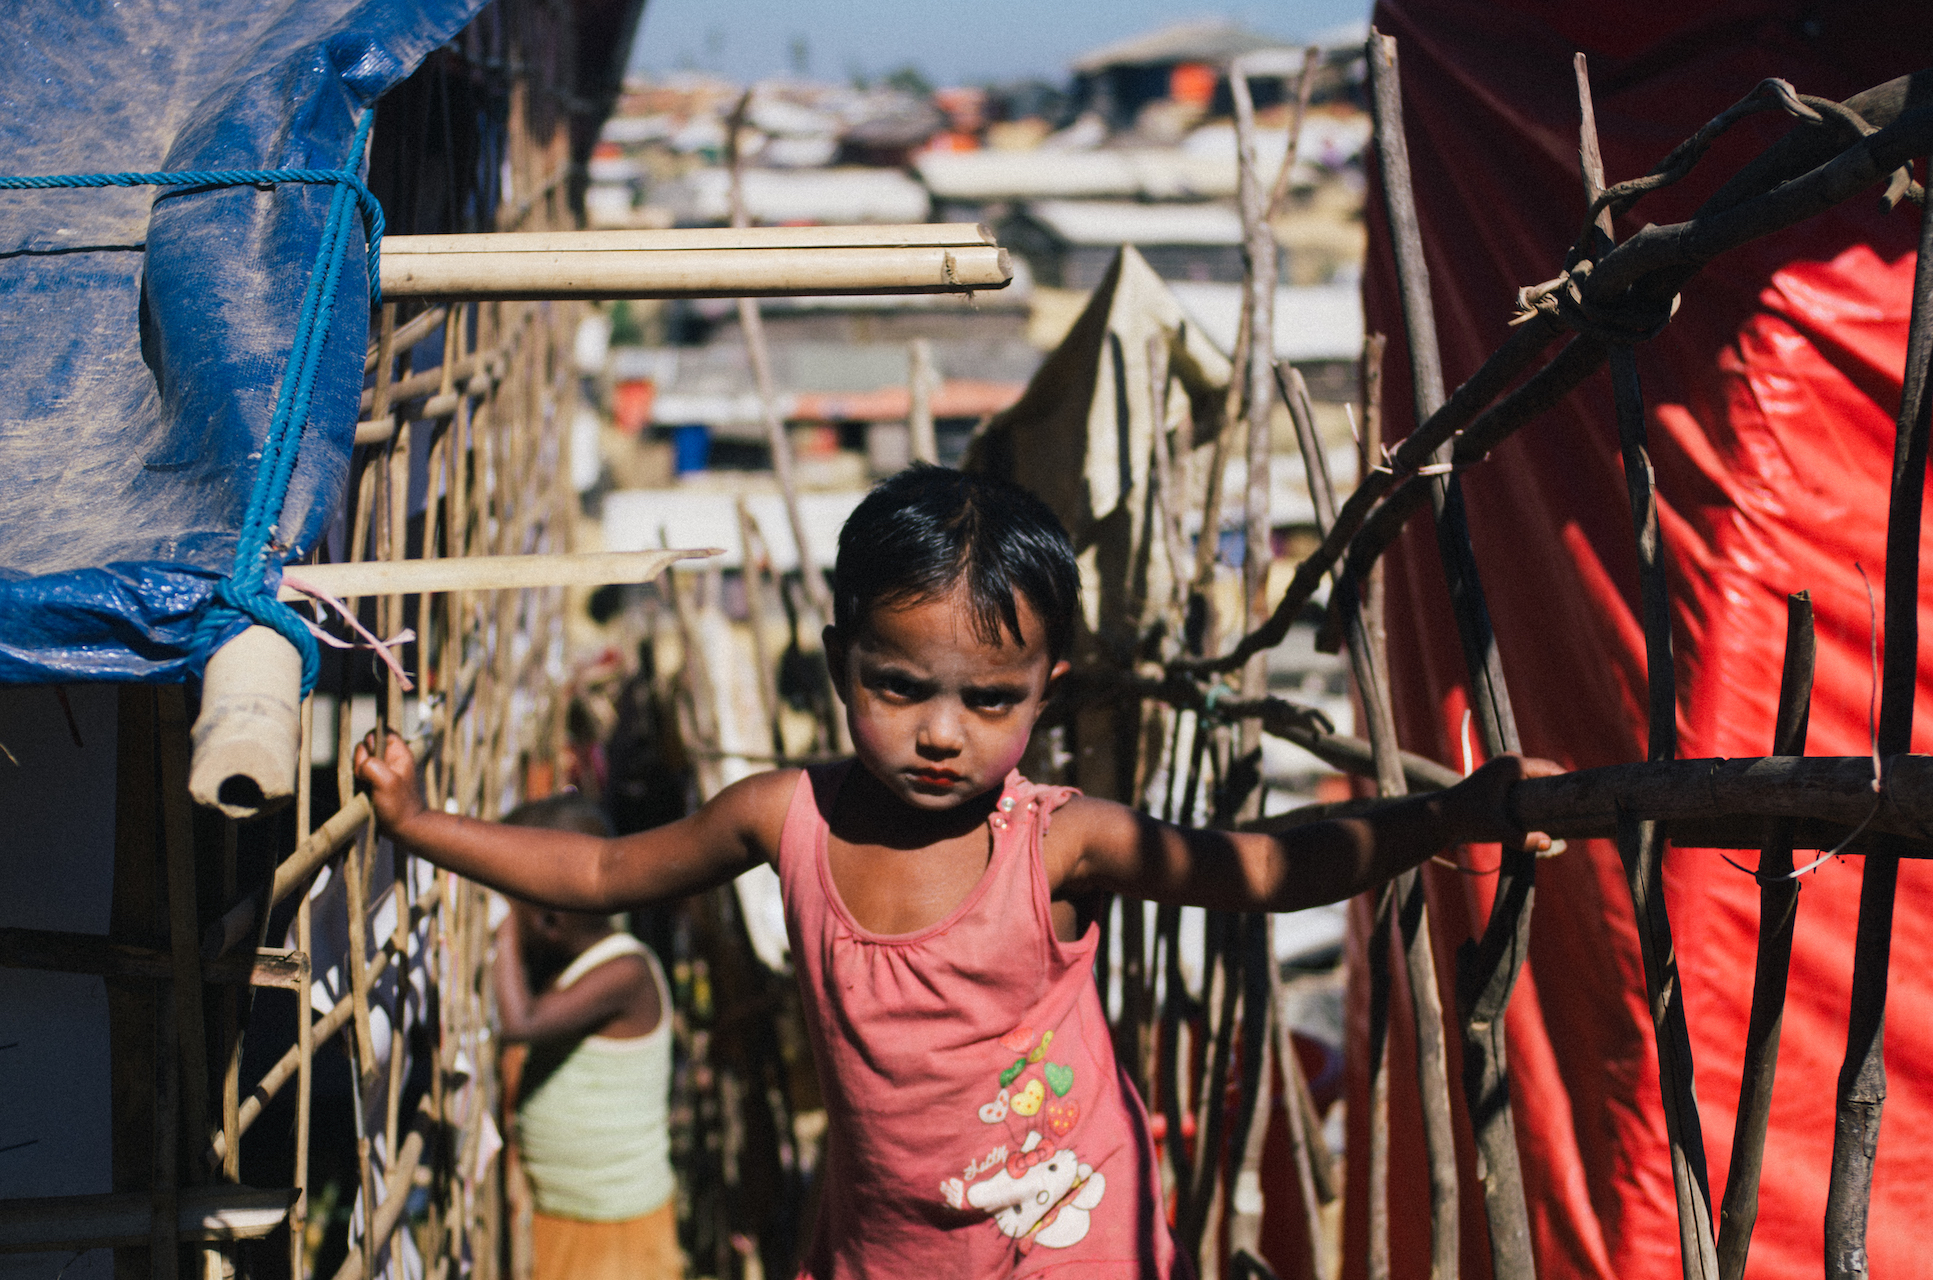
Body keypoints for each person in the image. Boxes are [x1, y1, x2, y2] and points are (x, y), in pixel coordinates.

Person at [357, 463, 1560, 1278]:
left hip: (1066, 1238)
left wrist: (1441, 817)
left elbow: (1261, 865)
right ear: (839, 665)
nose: (943, 732)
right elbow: (605, 865)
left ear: (1049, 689)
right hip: (888, 1247)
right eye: (900, 686)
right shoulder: (788, 817)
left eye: (990, 700)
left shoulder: (1057, 842)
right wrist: (421, 825)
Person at [494, 795, 682, 1280]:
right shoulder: (575, 969)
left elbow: (519, 1023)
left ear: (549, 922)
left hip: (615, 1221)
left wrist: (499, 922)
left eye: (510, 897)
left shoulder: (626, 972)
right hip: (571, 1213)